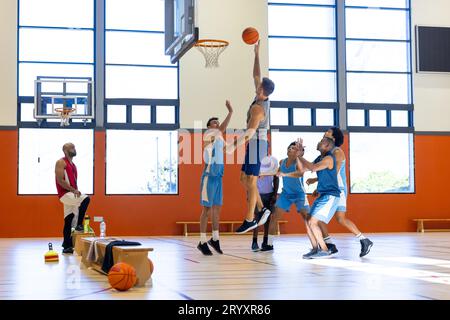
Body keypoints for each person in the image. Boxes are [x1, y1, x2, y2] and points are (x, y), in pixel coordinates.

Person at [226, 40, 275, 234]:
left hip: (257, 143)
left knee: (252, 181)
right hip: (254, 143)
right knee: (243, 179)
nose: (257, 84)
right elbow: (256, 74)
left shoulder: (258, 110)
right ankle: (263, 209)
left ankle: (250, 219)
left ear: (262, 91)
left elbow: (249, 134)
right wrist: (256, 54)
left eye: (259, 85)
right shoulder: (260, 96)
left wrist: (232, 147)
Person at [306, 127, 373, 257]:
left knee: (323, 218)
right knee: (336, 219)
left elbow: (333, 171)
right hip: (332, 188)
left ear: (334, 138)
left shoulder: (337, 152)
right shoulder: (325, 153)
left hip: (338, 189)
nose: (325, 133)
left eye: (328, 132)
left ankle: (330, 244)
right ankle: (362, 240)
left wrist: (318, 184)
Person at [197, 100, 233, 256]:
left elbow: (229, 149)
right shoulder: (208, 135)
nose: (217, 125)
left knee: (217, 209)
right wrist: (230, 112)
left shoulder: (219, 139)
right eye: (214, 123)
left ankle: (215, 239)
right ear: (208, 127)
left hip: (218, 177)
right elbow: (222, 130)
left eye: (218, 123)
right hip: (209, 177)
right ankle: (202, 241)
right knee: (206, 210)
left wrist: (245, 137)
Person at [297, 137, 341, 259]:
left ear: (327, 146)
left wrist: (300, 156)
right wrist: (298, 156)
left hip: (331, 196)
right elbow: (302, 170)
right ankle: (316, 249)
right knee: (308, 221)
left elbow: (313, 168)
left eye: (322, 141)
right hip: (323, 196)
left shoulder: (328, 158)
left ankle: (325, 250)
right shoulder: (320, 158)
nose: (319, 142)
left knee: (313, 222)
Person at [262, 142, 311, 252]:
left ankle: (319, 243)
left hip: (299, 195)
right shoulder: (282, 162)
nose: (290, 149)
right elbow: (277, 173)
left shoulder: (299, 162)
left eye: (293, 148)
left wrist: (286, 174)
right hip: (286, 194)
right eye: (289, 147)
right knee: (274, 217)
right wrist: (262, 173)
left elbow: (300, 173)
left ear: (298, 152)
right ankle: (269, 244)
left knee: (308, 220)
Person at [55, 143, 91, 254]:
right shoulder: (61, 162)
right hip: (65, 194)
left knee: (69, 220)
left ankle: (67, 246)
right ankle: (80, 225)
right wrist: (73, 190)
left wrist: (75, 190)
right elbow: (60, 180)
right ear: (65, 150)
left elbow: (74, 182)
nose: (74, 149)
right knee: (86, 199)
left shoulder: (73, 165)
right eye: (71, 148)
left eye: (75, 147)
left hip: (71, 194)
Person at [252, 174, 279, 251]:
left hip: (269, 194)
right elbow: (249, 177)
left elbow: (276, 178)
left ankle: (265, 241)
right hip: (257, 193)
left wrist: (275, 194)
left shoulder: (273, 161)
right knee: (256, 218)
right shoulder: (254, 161)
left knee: (268, 219)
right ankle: (254, 241)